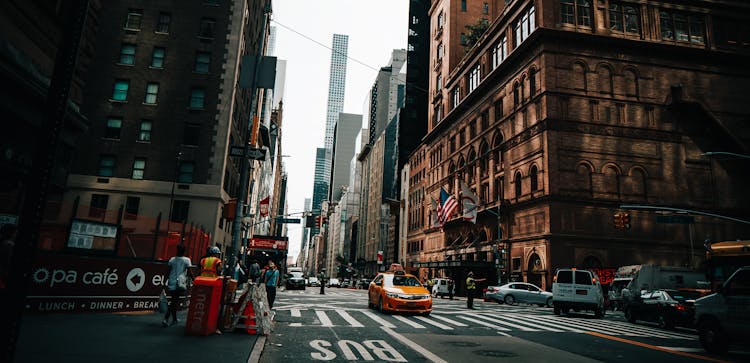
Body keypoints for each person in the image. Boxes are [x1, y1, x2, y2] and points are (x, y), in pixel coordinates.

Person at [163, 245, 192, 327]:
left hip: (171, 282)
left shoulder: (172, 260)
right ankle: (166, 318)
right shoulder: (187, 260)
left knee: (173, 300)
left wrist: (164, 282)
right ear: (184, 251)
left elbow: (167, 272)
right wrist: (195, 279)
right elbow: (189, 272)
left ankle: (174, 319)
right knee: (174, 302)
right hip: (180, 283)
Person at [0, 224, 17, 289]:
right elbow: (7, 262)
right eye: (15, 233)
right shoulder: (9, 245)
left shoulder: (4, 244)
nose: (16, 235)